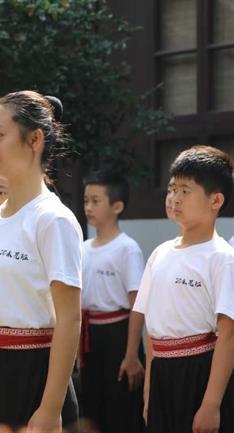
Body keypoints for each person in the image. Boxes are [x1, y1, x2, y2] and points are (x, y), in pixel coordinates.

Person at [0, 90, 81, 433]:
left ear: (35, 139)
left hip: (32, 376)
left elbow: (70, 319)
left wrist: (51, 408)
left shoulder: (53, 219)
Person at [134, 145, 234, 433]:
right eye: (172, 189)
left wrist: (211, 404)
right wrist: (149, 390)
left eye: (186, 191)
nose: (175, 198)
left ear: (215, 200)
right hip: (162, 374)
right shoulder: (160, 254)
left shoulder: (222, 258)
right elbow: (152, 331)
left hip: (200, 371)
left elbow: (228, 335)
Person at [80, 171, 145, 433]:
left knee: (120, 408)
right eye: (86, 200)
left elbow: (137, 305)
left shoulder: (127, 248)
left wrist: (131, 354)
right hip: (90, 335)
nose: (88, 207)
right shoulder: (83, 248)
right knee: (91, 407)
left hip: (119, 333)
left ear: (117, 206)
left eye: (96, 201)